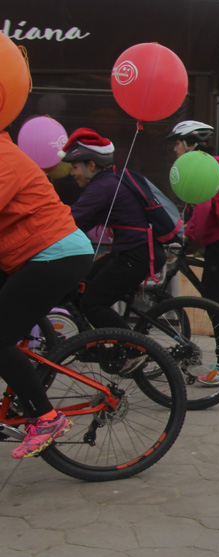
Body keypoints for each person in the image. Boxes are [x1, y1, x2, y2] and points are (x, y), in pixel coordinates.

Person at [1, 126, 95, 458]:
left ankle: (45, 417)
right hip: (31, 252)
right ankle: (30, 362)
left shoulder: (4, 158)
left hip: (56, 253)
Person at [61, 128, 167, 329]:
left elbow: (71, 220)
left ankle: (132, 352)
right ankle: (92, 343)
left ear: (91, 165)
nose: (71, 173)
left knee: (93, 304)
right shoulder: (109, 181)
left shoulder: (103, 187)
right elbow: (81, 223)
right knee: (82, 285)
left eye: (74, 166)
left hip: (136, 255)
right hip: (131, 251)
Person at [169, 120, 219, 384]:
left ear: (191, 144)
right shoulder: (206, 167)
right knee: (215, 299)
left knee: (213, 302)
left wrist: (187, 239)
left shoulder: (203, 170)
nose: (175, 149)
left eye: (177, 143)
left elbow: (201, 209)